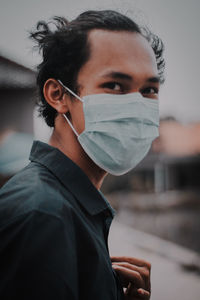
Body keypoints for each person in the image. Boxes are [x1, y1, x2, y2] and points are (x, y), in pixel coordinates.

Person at [0, 10, 165, 300]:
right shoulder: (42, 215)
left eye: (149, 89)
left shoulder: (66, 203)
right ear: (58, 95)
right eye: (114, 85)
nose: (137, 105)